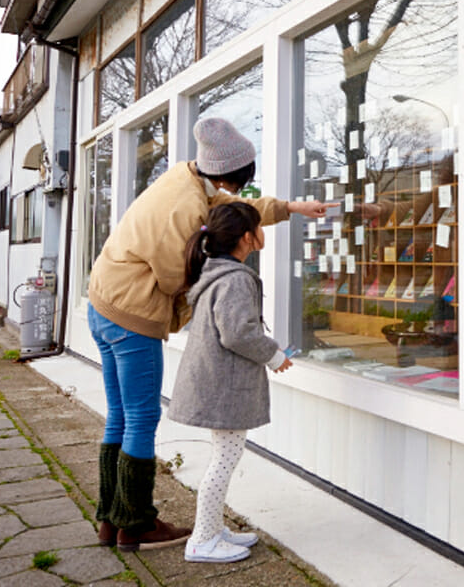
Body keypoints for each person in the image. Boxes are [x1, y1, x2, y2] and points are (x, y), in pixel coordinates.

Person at [88, 118, 332, 552]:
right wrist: (213, 292)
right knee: (141, 417)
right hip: (131, 312)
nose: (238, 192)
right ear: (228, 173)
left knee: (120, 415)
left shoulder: (186, 178)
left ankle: (111, 521)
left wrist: (292, 208)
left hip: (102, 303)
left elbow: (234, 206)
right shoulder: (183, 209)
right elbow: (171, 279)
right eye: (240, 184)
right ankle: (136, 524)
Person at [168, 202, 292, 564]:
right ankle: (202, 539)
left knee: (223, 458)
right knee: (224, 461)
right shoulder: (235, 278)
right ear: (247, 237)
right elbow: (238, 333)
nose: (263, 231)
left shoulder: (217, 273)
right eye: (258, 225)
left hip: (215, 383)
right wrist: (274, 356)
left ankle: (211, 528)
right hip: (224, 387)